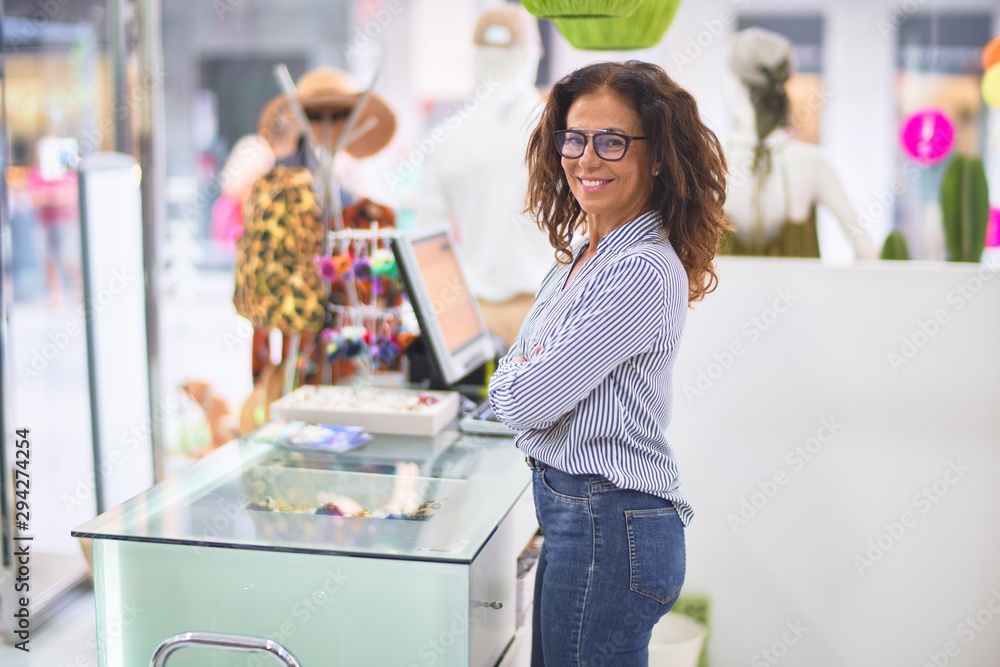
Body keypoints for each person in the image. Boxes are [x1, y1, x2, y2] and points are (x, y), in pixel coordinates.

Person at [488, 61, 728, 666]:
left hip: (607, 527)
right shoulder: (585, 255)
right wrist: (525, 368)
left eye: (612, 141)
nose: (586, 158)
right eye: (574, 138)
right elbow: (522, 375)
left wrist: (522, 370)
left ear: (656, 157)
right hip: (587, 521)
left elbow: (521, 399)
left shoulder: (637, 271)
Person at [417, 4, 553, 349]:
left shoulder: (446, 138)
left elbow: (428, 247)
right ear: (534, 53)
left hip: (474, 320)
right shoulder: (566, 135)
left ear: (475, 55)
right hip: (549, 312)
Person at [721, 27, 876, 258]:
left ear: (737, 86)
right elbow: (867, 253)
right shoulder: (814, 163)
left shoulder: (708, 163)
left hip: (725, 296)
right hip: (803, 295)